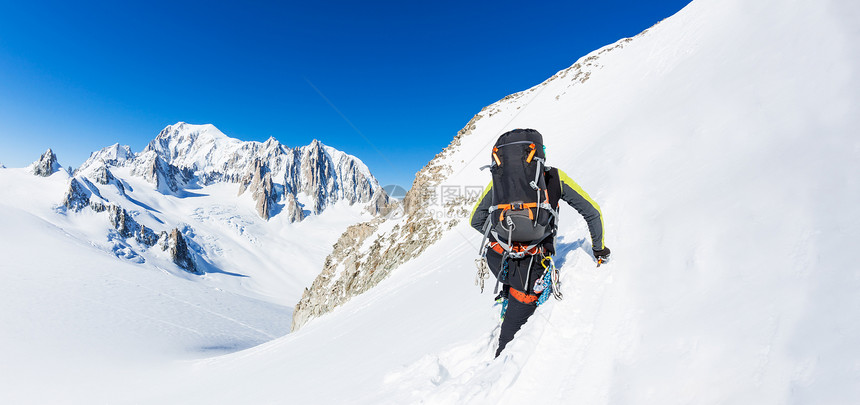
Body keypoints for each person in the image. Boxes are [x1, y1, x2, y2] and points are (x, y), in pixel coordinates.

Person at [469, 128, 610, 357]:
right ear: (539, 155)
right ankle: (498, 371)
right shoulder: (554, 176)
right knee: (510, 336)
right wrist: (599, 249)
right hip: (534, 264)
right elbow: (592, 212)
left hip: (498, 256)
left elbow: (476, 220)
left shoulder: (500, 179)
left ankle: (506, 296)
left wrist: (505, 236)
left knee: (512, 295)